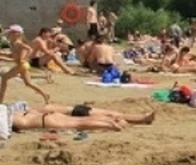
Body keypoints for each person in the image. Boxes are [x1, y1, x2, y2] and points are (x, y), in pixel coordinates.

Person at [6, 100, 156, 132]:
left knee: (79, 122)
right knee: (80, 119)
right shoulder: (11, 111)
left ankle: (111, 124)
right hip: (42, 114)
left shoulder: (10, 118)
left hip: (42, 119)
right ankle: (113, 122)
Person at [0, 25, 51, 104]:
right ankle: (45, 94)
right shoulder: (14, 43)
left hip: (22, 65)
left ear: (17, 34)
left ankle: (1, 100)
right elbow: (12, 55)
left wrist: (25, 58)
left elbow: (29, 49)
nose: (9, 34)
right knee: (28, 83)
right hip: (23, 65)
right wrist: (2, 54)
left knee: (4, 78)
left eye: (11, 33)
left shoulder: (18, 43)